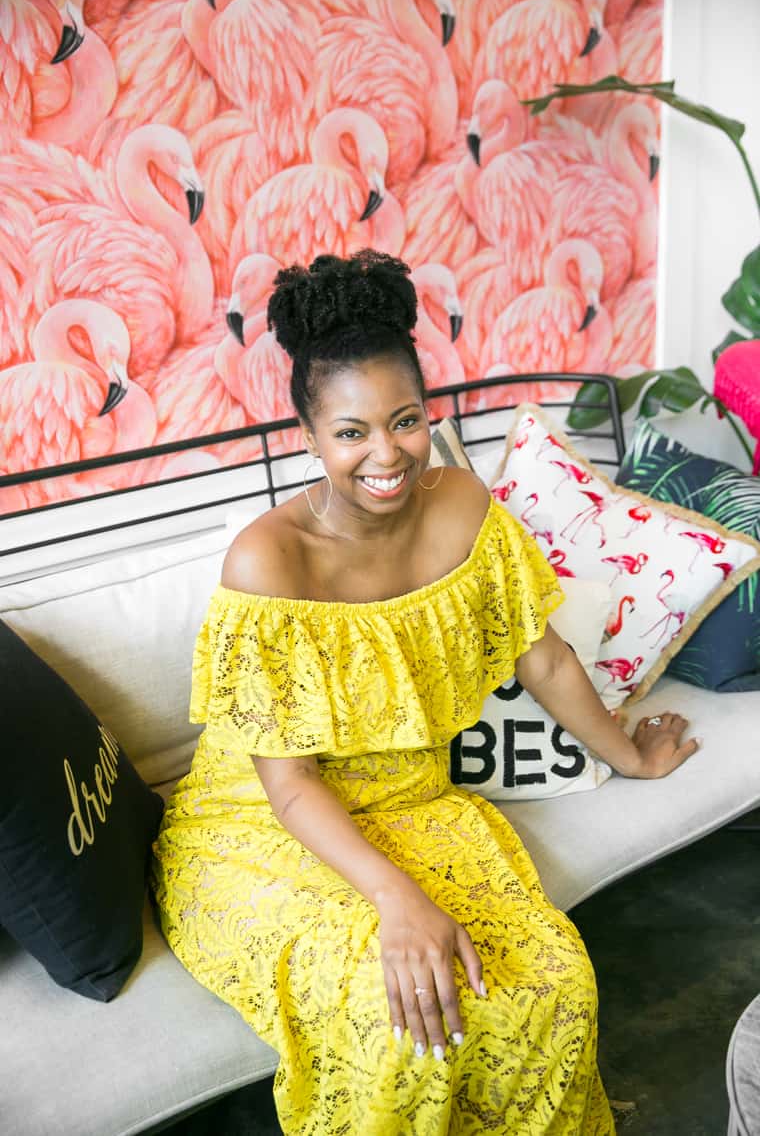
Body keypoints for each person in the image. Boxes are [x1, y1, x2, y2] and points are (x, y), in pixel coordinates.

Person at [151, 250, 698, 1135]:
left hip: (414, 803)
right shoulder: (269, 561)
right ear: (310, 436)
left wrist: (630, 753)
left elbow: (545, 660)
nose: (385, 455)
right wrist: (397, 899)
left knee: (548, 983)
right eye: (351, 432)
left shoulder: (464, 510)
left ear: (428, 414)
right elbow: (287, 781)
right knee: (388, 1009)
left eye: (405, 421)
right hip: (259, 826)